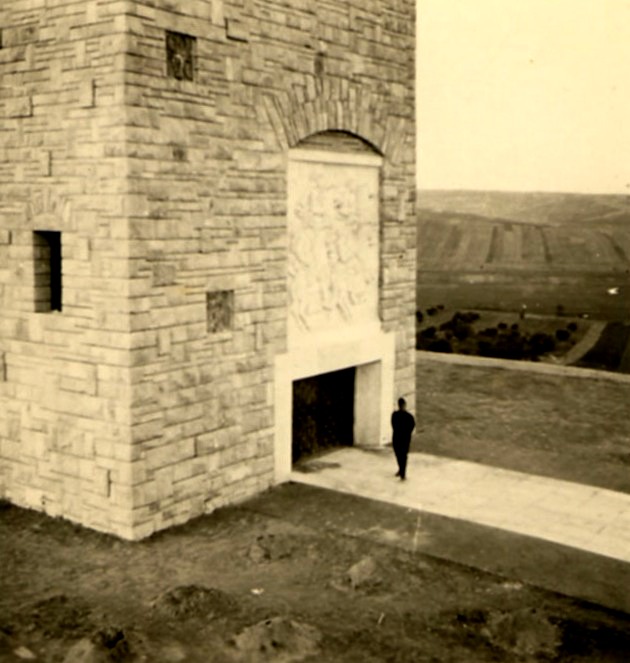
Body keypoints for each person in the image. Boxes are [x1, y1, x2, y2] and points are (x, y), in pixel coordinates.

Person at [391, 397, 415, 480]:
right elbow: (412, 426)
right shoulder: (408, 417)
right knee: (401, 456)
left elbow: (394, 425)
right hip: (403, 438)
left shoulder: (395, 415)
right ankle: (402, 471)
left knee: (400, 455)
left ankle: (402, 471)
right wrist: (407, 433)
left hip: (399, 438)